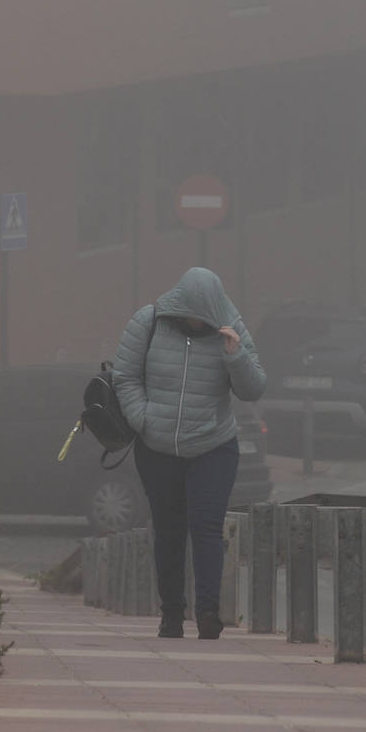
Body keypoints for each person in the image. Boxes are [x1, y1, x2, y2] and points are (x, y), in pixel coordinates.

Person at [113, 267, 267, 639]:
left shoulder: (231, 328)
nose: (198, 322)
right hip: (157, 447)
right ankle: (171, 614)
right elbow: (125, 377)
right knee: (168, 531)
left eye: (204, 315)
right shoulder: (147, 322)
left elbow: (254, 389)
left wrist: (235, 357)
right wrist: (143, 418)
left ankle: (209, 612)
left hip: (213, 445)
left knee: (208, 527)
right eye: (191, 314)